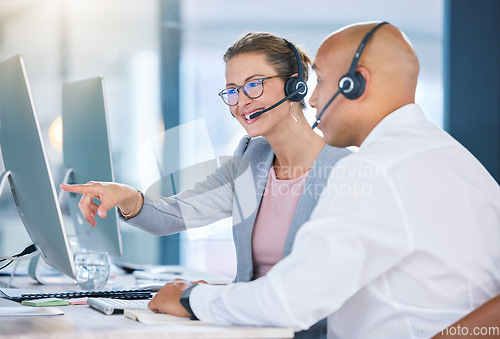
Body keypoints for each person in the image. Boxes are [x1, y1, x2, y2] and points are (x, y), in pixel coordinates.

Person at [146, 22, 500, 338]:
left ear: (356, 83)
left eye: (323, 83)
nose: (312, 100)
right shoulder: (458, 160)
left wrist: (192, 298)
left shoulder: (373, 170)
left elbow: (290, 300)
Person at [61, 32, 349, 338]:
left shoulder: (345, 171)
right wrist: (126, 196)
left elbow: (317, 292)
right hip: (246, 326)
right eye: (232, 91)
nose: (241, 102)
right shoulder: (251, 158)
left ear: (294, 84)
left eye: (254, 84)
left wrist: (203, 301)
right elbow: (179, 213)